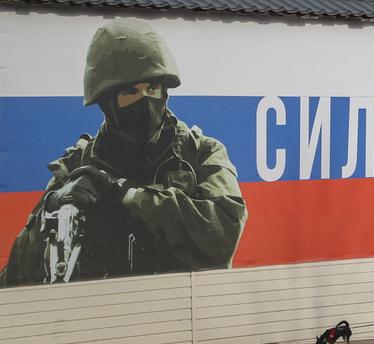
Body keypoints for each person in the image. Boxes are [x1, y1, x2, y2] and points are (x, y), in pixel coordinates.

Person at [0, 20, 247, 287]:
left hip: (180, 315)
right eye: (131, 92)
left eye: (152, 89)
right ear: (107, 101)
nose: (146, 101)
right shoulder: (78, 167)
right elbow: (15, 278)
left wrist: (127, 194)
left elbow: (224, 232)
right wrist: (52, 212)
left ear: (165, 91)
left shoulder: (201, 154)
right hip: (99, 319)